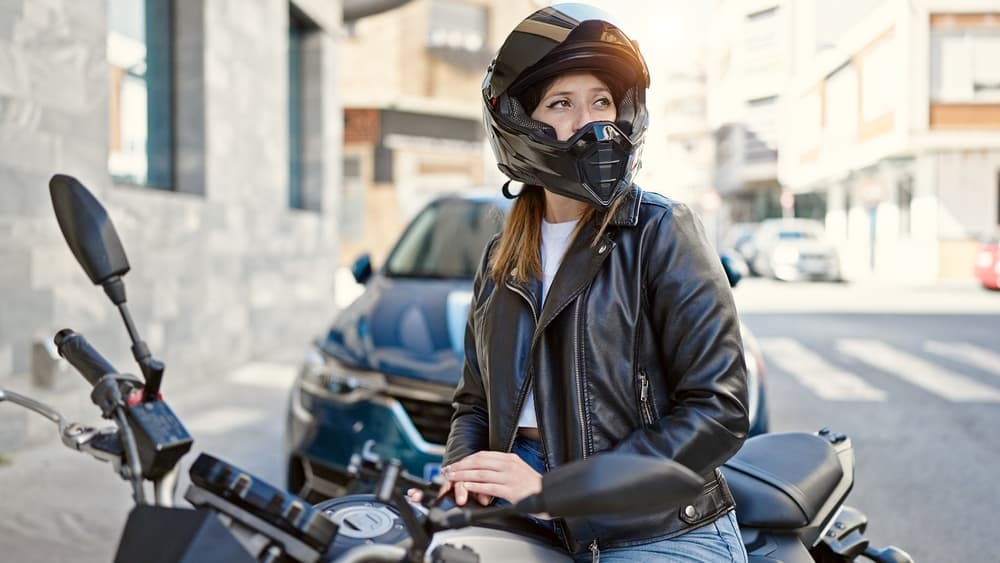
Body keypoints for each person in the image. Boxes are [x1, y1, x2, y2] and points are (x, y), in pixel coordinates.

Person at [412, 4, 750, 562]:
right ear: (522, 121)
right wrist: (464, 475)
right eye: (562, 103)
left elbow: (719, 409)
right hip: (524, 501)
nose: (591, 123)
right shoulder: (502, 256)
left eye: (602, 102)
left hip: (654, 524)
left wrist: (558, 491)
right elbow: (474, 404)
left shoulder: (661, 229)